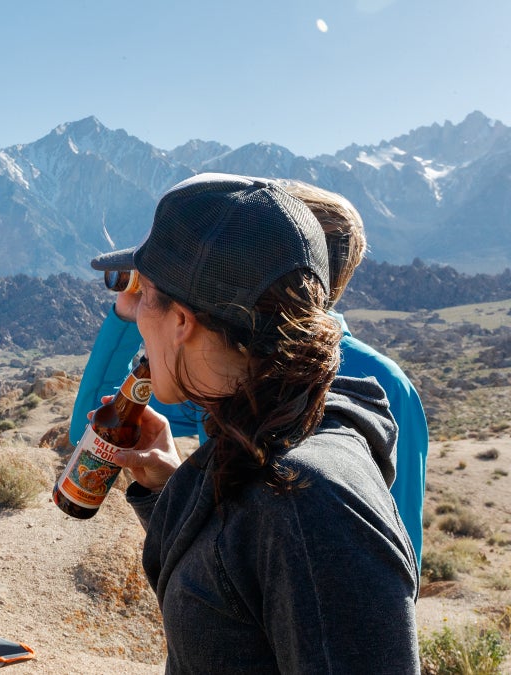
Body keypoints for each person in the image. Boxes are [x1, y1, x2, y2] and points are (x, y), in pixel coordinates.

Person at [87, 174, 418, 672]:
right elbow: (232, 607)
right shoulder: (260, 437)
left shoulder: (312, 502)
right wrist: (171, 490)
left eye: (144, 292)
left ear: (181, 321)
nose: (128, 308)